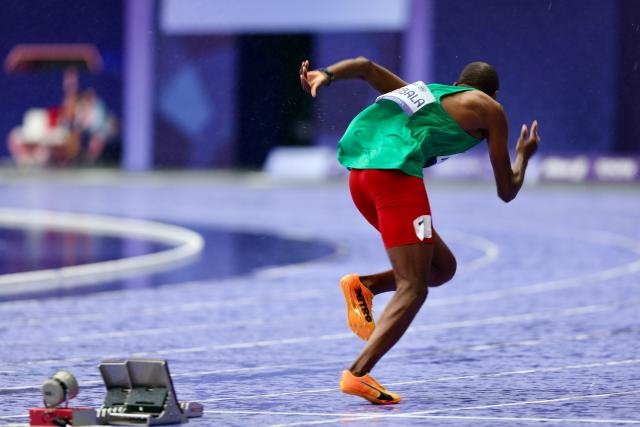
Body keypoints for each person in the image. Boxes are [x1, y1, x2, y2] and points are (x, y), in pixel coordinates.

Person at [299, 57, 540, 404]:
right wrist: (523, 157)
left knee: (441, 268)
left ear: (457, 84)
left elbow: (366, 67)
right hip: (394, 178)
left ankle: (363, 286)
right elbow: (506, 190)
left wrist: (327, 75)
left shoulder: (424, 94)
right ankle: (358, 373)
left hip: (359, 178)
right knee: (414, 287)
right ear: (494, 93)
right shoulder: (492, 109)